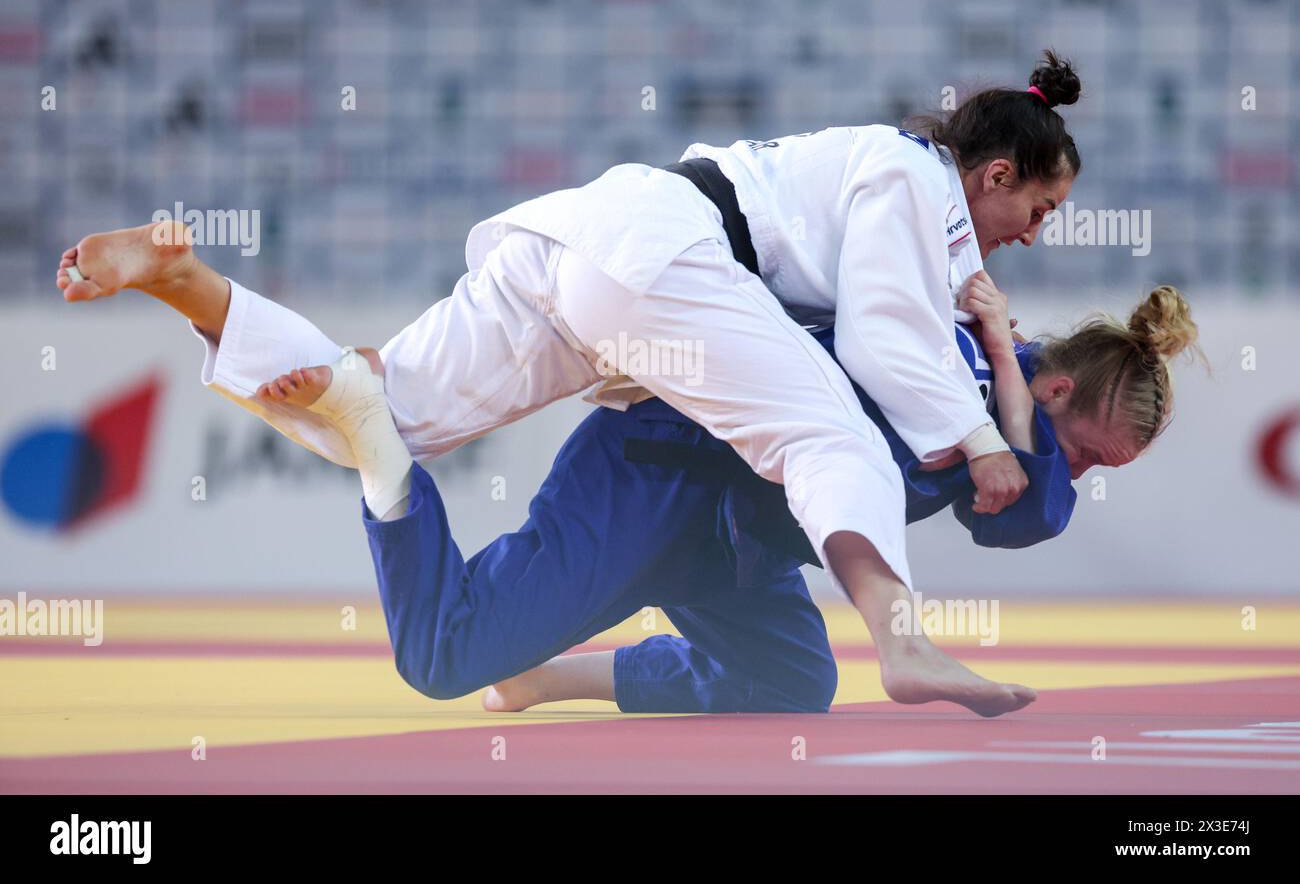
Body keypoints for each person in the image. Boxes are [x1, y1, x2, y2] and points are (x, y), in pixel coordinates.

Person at [58, 52, 1082, 661]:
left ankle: (188, 284)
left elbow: (900, 323)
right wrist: (983, 440)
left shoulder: (895, 180)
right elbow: (886, 338)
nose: (1034, 235)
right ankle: (900, 636)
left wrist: (988, 367)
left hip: (589, 242)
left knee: (373, 416)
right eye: (1039, 208)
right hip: (667, 265)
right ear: (994, 174)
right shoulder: (917, 183)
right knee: (830, 437)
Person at [246, 282, 1198, 718]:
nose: (1075, 475)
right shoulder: (946, 358)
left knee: (793, 683)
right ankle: (376, 443)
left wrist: (1007, 374)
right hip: (654, 477)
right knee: (444, 658)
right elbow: (1034, 512)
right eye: (1086, 455)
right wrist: (996, 366)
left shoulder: (995, 385)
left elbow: (1027, 515)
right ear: (1059, 391)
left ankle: (545, 678)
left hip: (737, 548)